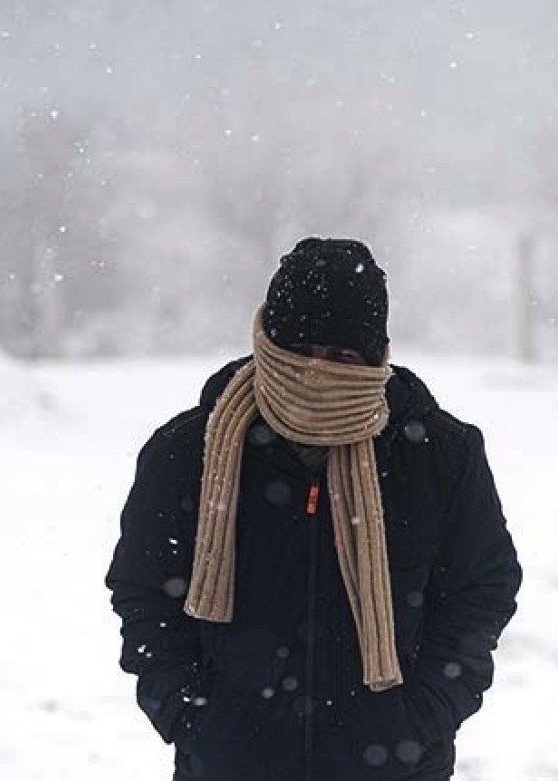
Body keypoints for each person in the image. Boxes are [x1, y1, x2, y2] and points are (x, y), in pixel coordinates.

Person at [105, 237, 523, 781]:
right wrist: (189, 711)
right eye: (298, 351)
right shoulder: (190, 452)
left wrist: (422, 717)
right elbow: (144, 590)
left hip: (393, 767)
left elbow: (481, 589)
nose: (316, 374)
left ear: (376, 357)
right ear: (268, 343)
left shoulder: (439, 455)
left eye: (342, 356)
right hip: (231, 764)